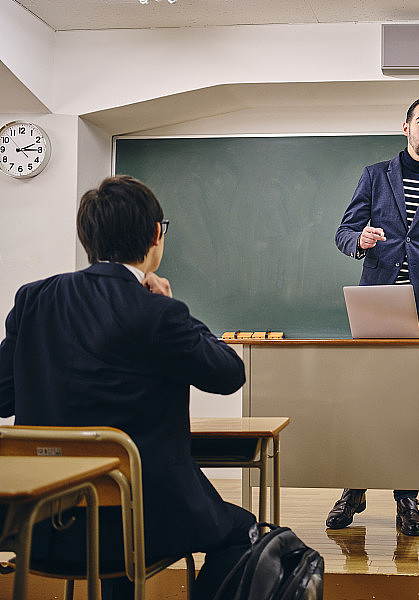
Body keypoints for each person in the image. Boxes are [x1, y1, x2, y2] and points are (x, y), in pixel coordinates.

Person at [0, 175, 256, 600]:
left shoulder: (34, 299)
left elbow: (3, 395)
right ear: (155, 235)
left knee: (117, 506)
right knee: (244, 534)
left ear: (87, 237)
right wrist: (172, 306)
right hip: (139, 526)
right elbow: (229, 374)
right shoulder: (157, 313)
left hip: (38, 524)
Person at [332, 94, 419, 536]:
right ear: (406, 127)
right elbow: (343, 232)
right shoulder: (375, 177)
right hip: (376, 305)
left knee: (412, 410)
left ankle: (406, 500)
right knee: (364, 404)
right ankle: (354, 490)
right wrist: (361, 241)